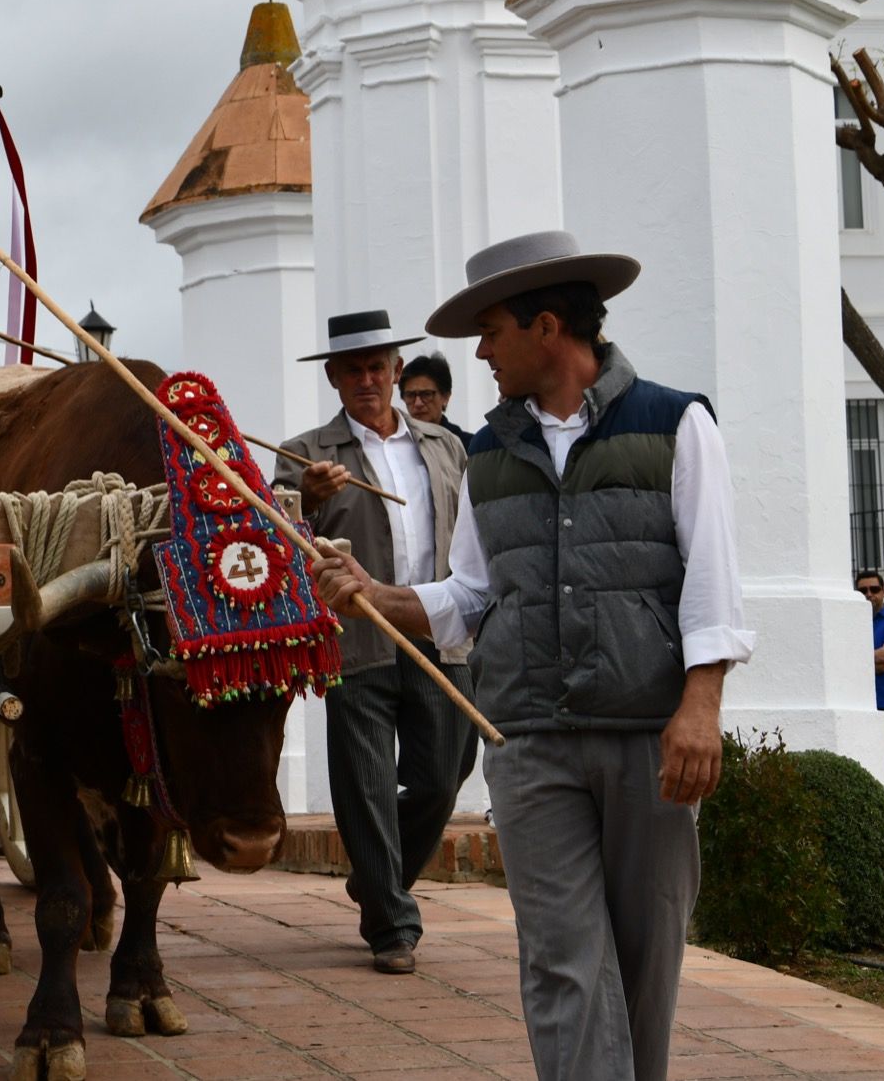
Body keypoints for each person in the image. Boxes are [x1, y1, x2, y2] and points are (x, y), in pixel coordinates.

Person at [313, 230, 754, 1081]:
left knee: (644, 959)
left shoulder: (677, 423)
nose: (478, 351)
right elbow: (470, 596)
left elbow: (715, 578)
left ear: (546, 326)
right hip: (527, 741)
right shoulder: (486, 452)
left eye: (491, 330)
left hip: (648, 739)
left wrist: (701, 707)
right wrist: (376, 590)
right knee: (560, 959)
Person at [273, 309, 472, 975]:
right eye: (352, 368)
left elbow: (470, 539)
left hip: (437, 630)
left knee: (442, 778)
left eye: (376, 366)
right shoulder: (307, 454)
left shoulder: (444, 446)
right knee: (364, 785)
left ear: (395, 371)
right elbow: (275, 535)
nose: (366, 378)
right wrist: (305, 497)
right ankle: (390, 920)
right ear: (333, 377)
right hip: (355, 640)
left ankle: (376, 877)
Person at [859, 570, 884, 771]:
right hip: (861, 703)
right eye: (863, 590)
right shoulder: (851, 621)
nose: (869, 594)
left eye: (874, 589)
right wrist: (874, 656)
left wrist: (856, 661)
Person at [400, 351, 472, 450]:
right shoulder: (397, 445)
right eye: (410, 395)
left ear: (445, 397)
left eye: (426, 394)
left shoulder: (467, 445)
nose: (418, 403)